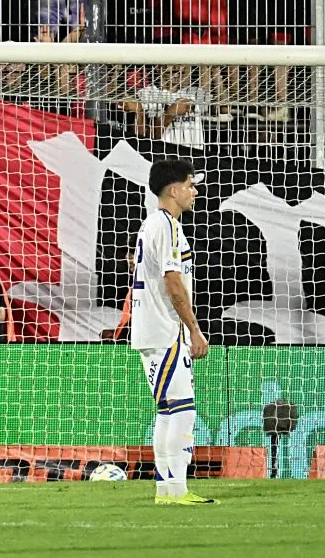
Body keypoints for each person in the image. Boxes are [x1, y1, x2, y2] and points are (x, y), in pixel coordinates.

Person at [131, 160, 213, 505]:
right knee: (182, 409)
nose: (195, 192)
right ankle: (174, 487)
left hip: (156, 328)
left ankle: (168, 490)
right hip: (165, 330)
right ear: (174, 189)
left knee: (169, 409)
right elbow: (173, 281)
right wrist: (194, 329)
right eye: (191, 185)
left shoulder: (158, 226)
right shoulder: (164, 226)